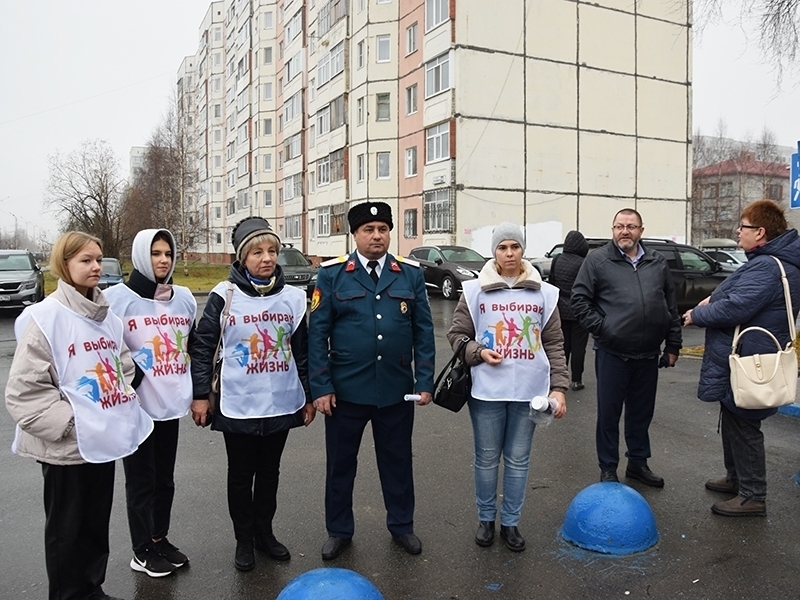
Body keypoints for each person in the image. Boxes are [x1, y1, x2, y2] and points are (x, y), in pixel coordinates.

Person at [5, 231, 153, 600]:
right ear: (64, 264)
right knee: (66, 533)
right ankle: (69, 594)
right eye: (85, 260)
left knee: (94, 524)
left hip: (101, 441)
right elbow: (25, 393)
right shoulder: (44, 318)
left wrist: (115, 405)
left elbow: (122, 368)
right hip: (66, 448)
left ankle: (92, 588)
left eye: (98, 259)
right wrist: (73, 422)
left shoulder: (107, 318)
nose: (95, 266)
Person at [308, 201, 435, 560]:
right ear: (355, 235)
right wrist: (321, 387)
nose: (377, 236)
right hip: (345, 391)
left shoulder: (409, 273)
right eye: (368, 230)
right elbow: (318, 335)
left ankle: (402, 526)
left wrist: (423, 380)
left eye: (382, 229)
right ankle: (339, 530)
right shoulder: (332, 275)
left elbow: (423, 332)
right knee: (340, 466)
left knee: (397, 463)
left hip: (396, 390)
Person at [189, 217, 315, 572]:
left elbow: (301, 351)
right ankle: (243, 539)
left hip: (281, 399)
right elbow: (203, 348)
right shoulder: (223, 295)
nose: (267, 258)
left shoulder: (293, 298)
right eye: (257, 252)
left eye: (272, 251)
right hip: (237, 402)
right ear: (242, 258)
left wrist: (307, 396)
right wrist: (200, 395)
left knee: (270, 472)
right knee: (241, 475)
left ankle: (265, 533)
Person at [446, 222, 568, 552]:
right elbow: (457, 335)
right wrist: (478, 352)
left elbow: (555, 342)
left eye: (515, 247)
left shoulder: (544, 292)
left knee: (518, 459)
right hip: (486, 390)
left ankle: (511, 523)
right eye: (502, 247)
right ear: (494, 251)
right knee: (486, 458)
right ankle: (487, 519)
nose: (509, 253)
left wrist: (559, 387)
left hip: (530, 392)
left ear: (522, 250)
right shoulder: (474, 291)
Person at [683, 199, 800, 517]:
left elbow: (737, 307)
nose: (738, 231)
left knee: (745, 423)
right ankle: (736, 478)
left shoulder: (767, 265)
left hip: (750, 360)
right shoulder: (775, 262)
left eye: (743, 226)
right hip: (750, 355)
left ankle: (752, 494)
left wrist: (699, 312)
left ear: (760, 232)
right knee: (734, 418)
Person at [104, 230, 197, 577]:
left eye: (168, 253)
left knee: (164, 479)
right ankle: (141, 550)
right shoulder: (118, 299)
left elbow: (192, 342)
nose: (163, 260)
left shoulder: (184, 299)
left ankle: (159, 538)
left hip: (169, 404)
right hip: (136, 407)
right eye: (156, 253)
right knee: (141, 481)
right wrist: (134, 380)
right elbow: (106, 348)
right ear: (142, 256)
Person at [571, 208, 681, 487]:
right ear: (612, 229)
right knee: (609, 414)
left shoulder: (657, 262)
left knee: (641, 413)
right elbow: (580, 300)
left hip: (647, 354)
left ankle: (638, 464)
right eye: (619, 226)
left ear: (641, 231)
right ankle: (608, 467)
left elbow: (670, 305)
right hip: (612, 353)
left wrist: (673, 344)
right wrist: (605, 328)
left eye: (631, 226)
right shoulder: (597, 261)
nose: (625, 231)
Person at [548, 230, 590, 390]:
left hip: (560, 309)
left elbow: (552, 282)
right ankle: (577, 380)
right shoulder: (583, 262)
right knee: (579, 347)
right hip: (579, 310)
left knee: (562, 345)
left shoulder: (557, 259)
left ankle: (560, 378)